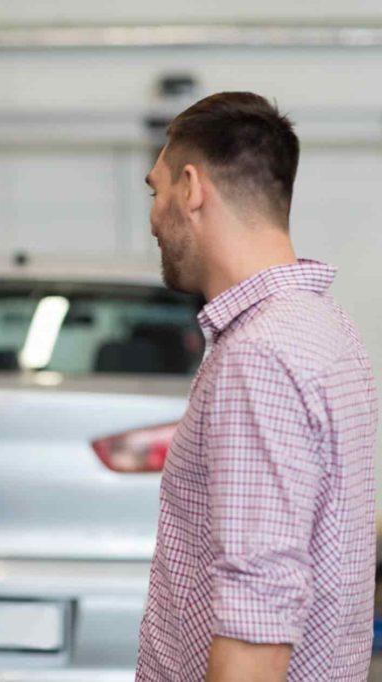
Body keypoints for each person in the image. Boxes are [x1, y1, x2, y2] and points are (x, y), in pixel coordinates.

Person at [136, 91, 378, 681]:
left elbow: (259, 621)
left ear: (192, 188)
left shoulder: (259, 356)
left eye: (156, 189)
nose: (153, 215)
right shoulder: (326, 326)